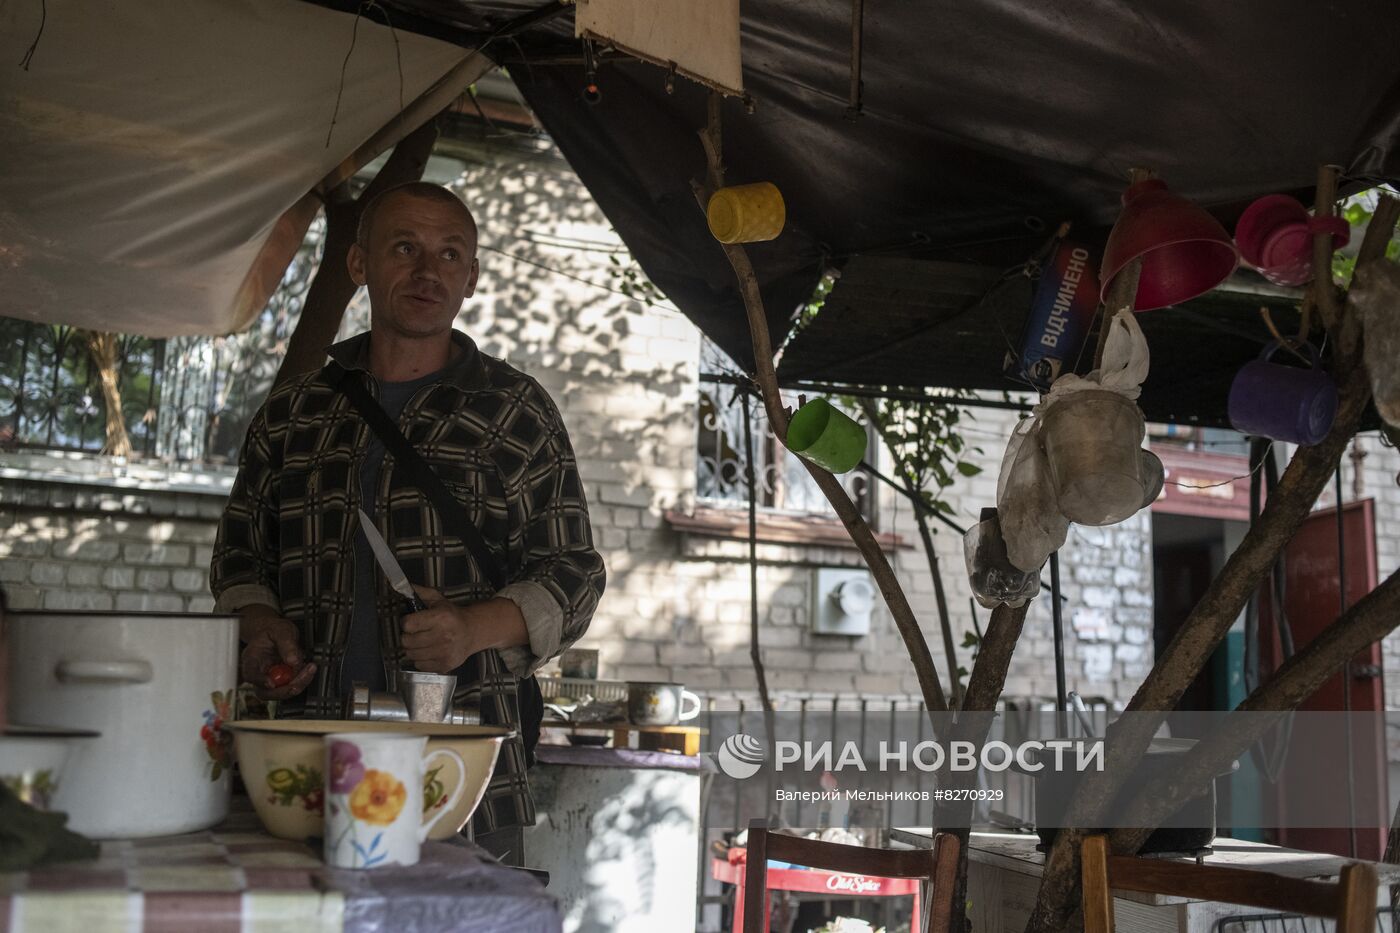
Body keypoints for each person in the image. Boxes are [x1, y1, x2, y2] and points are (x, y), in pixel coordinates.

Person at [210, 182, 606, 858]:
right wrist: (261, 628)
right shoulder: (294, 412)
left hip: (457, 772)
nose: (429, 272)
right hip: (305, 761)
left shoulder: (513, 409)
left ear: (472, 277)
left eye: (450, 255)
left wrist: (471, 628)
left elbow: (574, 573)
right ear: (359, 264)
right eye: (405, 248)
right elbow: (241, 557)